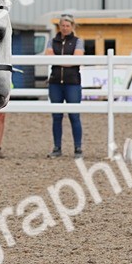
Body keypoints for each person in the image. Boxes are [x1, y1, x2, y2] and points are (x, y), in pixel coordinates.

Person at [43, 13, 84, 157]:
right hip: (55, 83)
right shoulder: (52, 41)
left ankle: (78, 148)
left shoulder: (78, 41)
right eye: (63, 25)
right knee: (56, 116)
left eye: (68, 25)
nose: (65, 28)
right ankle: (57, 148)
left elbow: (77, 59)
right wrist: (67, 60)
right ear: (59, 26)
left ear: (72, 26)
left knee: (74, 116)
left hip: (72, 83)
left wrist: (57, 59)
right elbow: (48, 57)